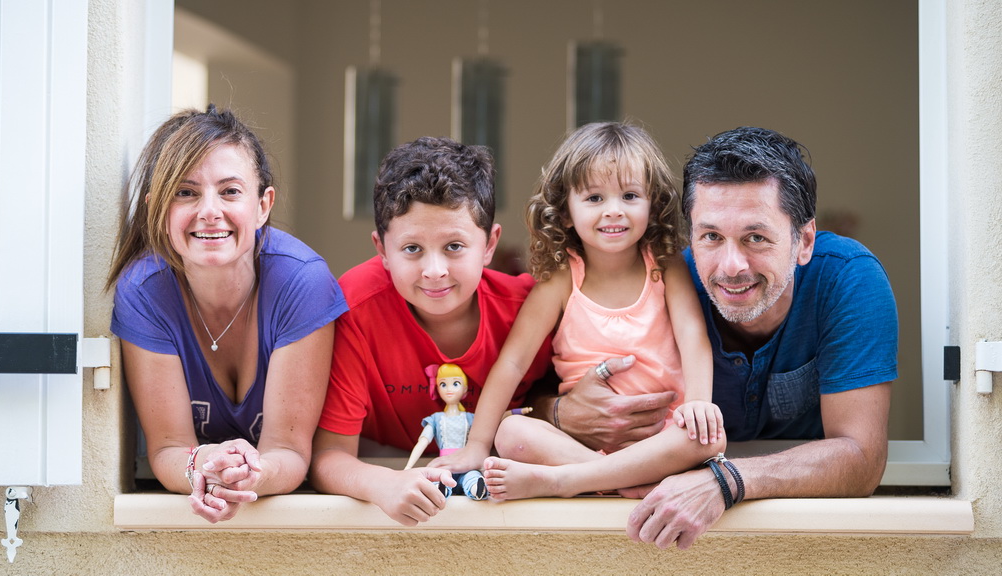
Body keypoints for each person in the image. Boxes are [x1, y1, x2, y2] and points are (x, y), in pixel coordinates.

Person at [546, 126, 896, 548]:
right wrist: (559, 413)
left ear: (803, 240)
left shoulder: (848, 279)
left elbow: (861, 459)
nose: (731, 266)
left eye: (756, 238)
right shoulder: (660, 284)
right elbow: (523, 408)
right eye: (711, 237)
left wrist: (724, 481)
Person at [429, 121, 723, 499]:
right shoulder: (562, 279)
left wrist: (699, 402)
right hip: (579, 442)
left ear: (653, 205)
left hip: (659, 437)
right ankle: (619, 481)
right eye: (595, 198)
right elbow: (513, 363)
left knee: (706, 438)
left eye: (630, 196)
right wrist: (477, 444)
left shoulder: (664, 264)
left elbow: (693, 335)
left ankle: (572, 482)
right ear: (565, 212)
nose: (613, 211)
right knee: (512, 434)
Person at [108, 106, 347, 523]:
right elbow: (167, 449)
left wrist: (250, 476)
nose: (209, 211)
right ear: (157, 209)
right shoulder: (143, 292)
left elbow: (289, 453)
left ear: (262, 205)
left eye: (230, 191)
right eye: (186, 192)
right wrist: (202, 466)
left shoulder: (302, 282)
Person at [309, 137, 553, 526]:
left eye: (455, 246)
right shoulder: (354, 306)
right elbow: (326, 457)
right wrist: (383, 484)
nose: (434, 270)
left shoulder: (530, 310)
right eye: (412, 249)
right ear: (381, 250)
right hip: (390, 468)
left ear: (489, 245)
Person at [404, 364, 488, 500]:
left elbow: (489, 422)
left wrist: (510, 413)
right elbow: (423, 441)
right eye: (443, 385)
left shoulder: (470, 418)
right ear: (437, 388)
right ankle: (440, 490)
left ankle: (477, 488)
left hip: (467, 461)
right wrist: (408, 467)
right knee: (441, 477)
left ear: (465, 389)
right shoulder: (436, 419)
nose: (449, 389)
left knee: (472, 476)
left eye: (455, 383)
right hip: (444, 464)